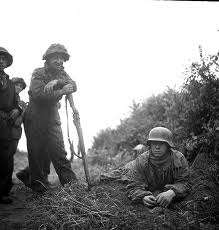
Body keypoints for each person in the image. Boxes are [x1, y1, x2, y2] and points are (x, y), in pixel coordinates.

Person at [21, 43, 78, 193]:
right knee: (37, 153)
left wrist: (58, 82)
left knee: (59, 152)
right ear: (47, 59)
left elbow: (74, 85)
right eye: (56, 58)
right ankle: (38, 187)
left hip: (52, 116)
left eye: (62, 58)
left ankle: (72, 186)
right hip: (35, 116)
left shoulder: (62, 74)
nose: (59, 61)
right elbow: (38, 95)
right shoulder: (38, 73)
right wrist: (61, 91)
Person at [126, 127, 190, 209]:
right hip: (129, 168)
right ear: (150, 145)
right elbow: (133, 186)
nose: (157, 147)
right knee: (120, 173)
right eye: (154, 143)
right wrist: (143, 197)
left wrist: (172, 192)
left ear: (168, 145)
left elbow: (185, 182)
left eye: (161, 143)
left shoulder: (178, 158)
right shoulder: (141, 160)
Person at [0, 47, 22, 204]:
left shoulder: (8, 80)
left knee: (5, 158)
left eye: (4, 58)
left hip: (5, 125)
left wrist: (17, 109)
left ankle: (2, 192)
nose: (1, 60)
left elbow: (16, 103)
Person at [11, 77, 27, 150]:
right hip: (3, 132)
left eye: (21, 86)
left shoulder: (22, 103)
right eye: (16, 85)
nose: (19, 87)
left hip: (15, 134)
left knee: (10, 156)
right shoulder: (3, 98)